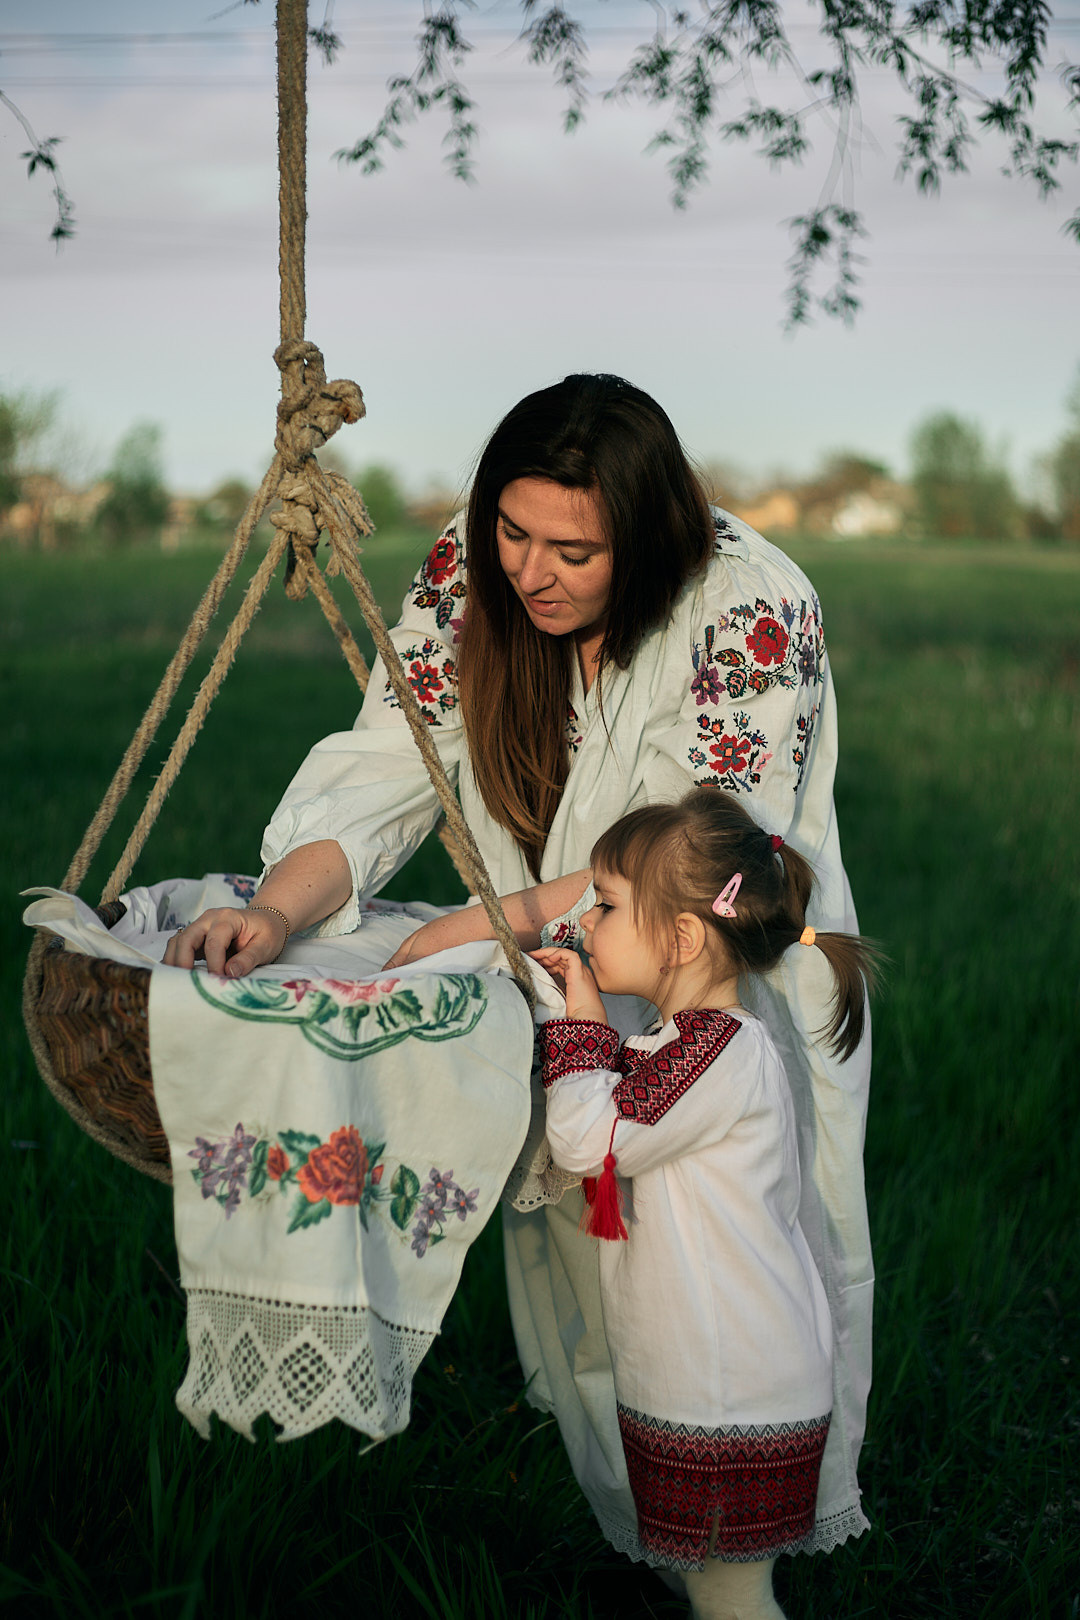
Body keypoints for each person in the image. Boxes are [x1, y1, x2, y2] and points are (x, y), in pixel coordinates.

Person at [164, 373, 873, 1572]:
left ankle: (752, 1536)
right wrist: (278, 914)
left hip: (712, 979)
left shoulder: (749, 603)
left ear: (643, 539)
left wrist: (469, 931)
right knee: (600, 1272)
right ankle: (644, 1529)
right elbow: (396, 759)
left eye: (572, 551)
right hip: (580, 966)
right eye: (511, 530)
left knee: (730, 1276)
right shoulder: (468, 573)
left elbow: (701, 852)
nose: (530, 572)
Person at [530, 787, 879, 1620]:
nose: (587, 917)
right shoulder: (687, 1047)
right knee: (712, 1586)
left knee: (731, 1601)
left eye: (607, 903)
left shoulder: (716, 1054)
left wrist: (579, 1025)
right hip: (709, 1381)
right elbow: (623, 1113)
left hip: (730, 1397)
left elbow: (591, 1144)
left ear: (683, 937)